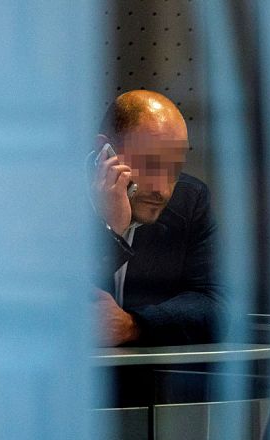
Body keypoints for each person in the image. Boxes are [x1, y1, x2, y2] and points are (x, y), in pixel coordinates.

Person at [91, 89, 227, 346]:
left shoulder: (189, 200)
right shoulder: (54, 197)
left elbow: (217, 305)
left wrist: (134, 325)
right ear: (104, 153)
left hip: (150, 380)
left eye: (174, 169)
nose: (162, 189)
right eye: (150, 165)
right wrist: (110, 231)